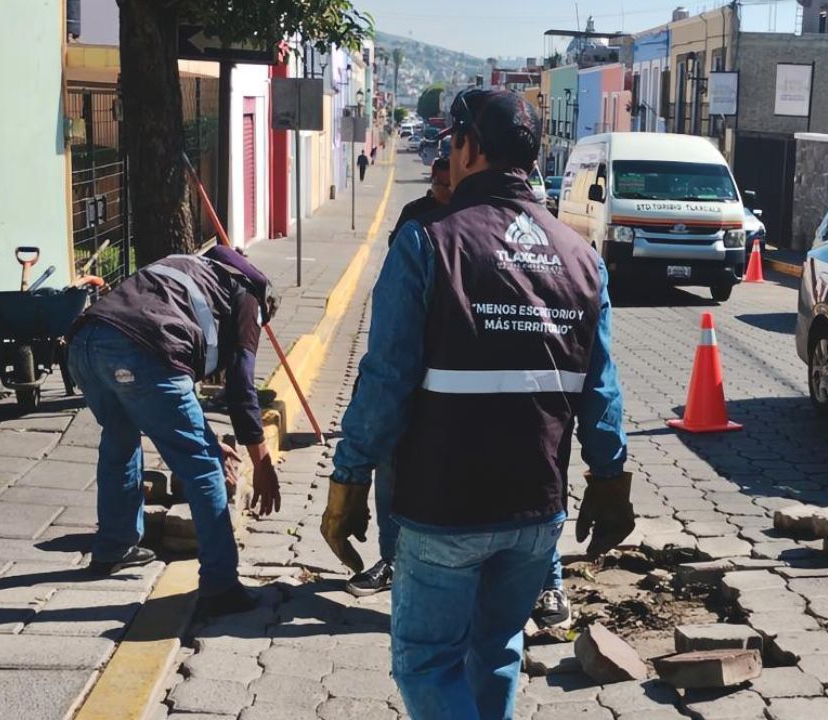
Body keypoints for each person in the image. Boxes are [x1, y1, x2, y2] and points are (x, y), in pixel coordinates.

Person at [322, 88, 632, 719]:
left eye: (452, 143)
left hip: (444, 507)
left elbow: (384, 379)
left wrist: (350, 477)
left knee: (427, 662)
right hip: (534, 512)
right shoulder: (581, 259)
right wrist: (610, 475)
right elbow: (600, 388)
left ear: (467, 147)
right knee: (496, 651)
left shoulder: (427, 240)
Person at [67, 246, 283, 616]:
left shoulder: (184, 266)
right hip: (142, 351)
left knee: (119, 441)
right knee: (204, 468)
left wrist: (210, 436)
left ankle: (114, 548)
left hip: (85, 345)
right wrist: (261, 463)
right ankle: (221, 587)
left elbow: (173, 389)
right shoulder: (249, 299)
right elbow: (240, 387)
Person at [346, 157, 456, 599]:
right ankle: (391, 558)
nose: (449, 192)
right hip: (410, 363)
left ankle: (544, 581)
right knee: (390, 464)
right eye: (443, 185)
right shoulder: (415, 221)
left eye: (454, 185)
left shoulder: (473, 219)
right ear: (434, 183)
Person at [388, 158, 453, 246]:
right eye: (444, 185)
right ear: (434, 181)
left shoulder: (462, 211)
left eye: (450, 185)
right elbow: (394, 242)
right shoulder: (413, 210)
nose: (448, 190)